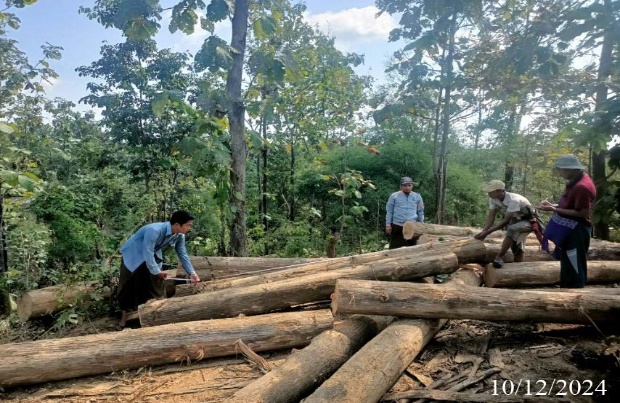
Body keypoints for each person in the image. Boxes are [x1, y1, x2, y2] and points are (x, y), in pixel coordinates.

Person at [116, 210, 200, 329]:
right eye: (188, 225)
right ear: (177, 224)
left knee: (156, 285)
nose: (189, 228)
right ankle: (124, 319)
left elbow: (182, 254)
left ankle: (153, 316)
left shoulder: (179, 235)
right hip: (133, 255)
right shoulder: (154, 230)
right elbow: (148, 252)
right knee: (128, 285)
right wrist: (157, 272)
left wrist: (192, 273)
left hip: (151, 256)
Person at [537, 154, 596, 288]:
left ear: (569, 169)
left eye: (560, 169)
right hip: (570, 230)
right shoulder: (575, 182)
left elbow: (583, 213)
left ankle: (576, 293)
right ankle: (566, 290)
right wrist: (553, 206)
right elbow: (572, 205)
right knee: (567, 263)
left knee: (575, 264)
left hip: (577, 231)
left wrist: (553, 209)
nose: (559, 173)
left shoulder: (582, 186)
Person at [474, 180, 540, 268]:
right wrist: (484, 231)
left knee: (512, 229)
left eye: (490, 192)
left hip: (529, 220)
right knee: (516, 247)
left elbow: (506, 221)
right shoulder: (493, 199)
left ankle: (499, 257)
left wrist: (488, 232)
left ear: (499, 191)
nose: (488, 194)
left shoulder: (513, 200)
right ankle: (518, 268)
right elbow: (491, 216)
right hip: (516, 219)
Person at [385, 176, 425, 249]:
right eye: (405, 185)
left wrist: (421, 225)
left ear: (412, 186)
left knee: (412, 248)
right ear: (401, 186)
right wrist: (388, 225)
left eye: (409, 185)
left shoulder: (417, 196)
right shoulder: (394, 196)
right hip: (398, 225)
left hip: (412, 226)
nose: (407, 187)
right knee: (395, 248)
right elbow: (389, 210)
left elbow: (420, 211)